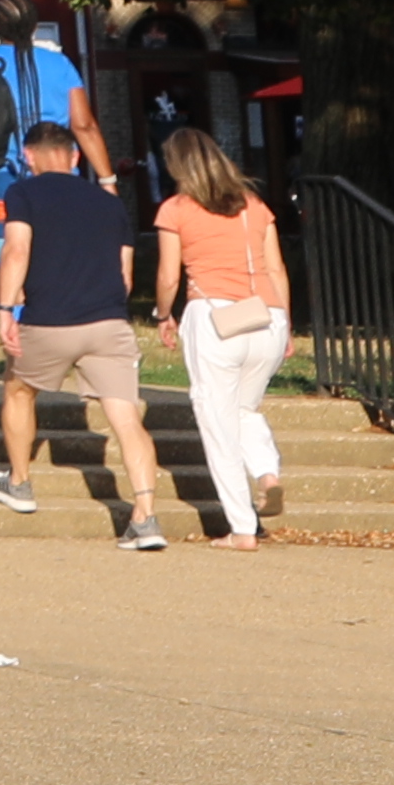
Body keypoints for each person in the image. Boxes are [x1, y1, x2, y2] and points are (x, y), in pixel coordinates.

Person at [0, 115, 171, 547]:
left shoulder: (21, 192)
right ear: (75, 156)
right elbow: (125, 276)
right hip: (108, 323)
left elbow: (16, 250)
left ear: (27, 157)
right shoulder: (109, 203)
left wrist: (7, 308)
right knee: (126, 419)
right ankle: (145, 517)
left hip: (49, 320)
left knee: (18, 390)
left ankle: (20, 482)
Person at [155, 130, 294, 545]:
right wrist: (286, 323)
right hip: (267, 316)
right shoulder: (254, 206)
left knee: (217, 421)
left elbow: (168, 276)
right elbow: (277, 269)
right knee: (244, 409)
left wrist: (163, 314)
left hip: (215, 317)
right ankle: (267, 474)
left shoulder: (175, 209)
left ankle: (242, 528)